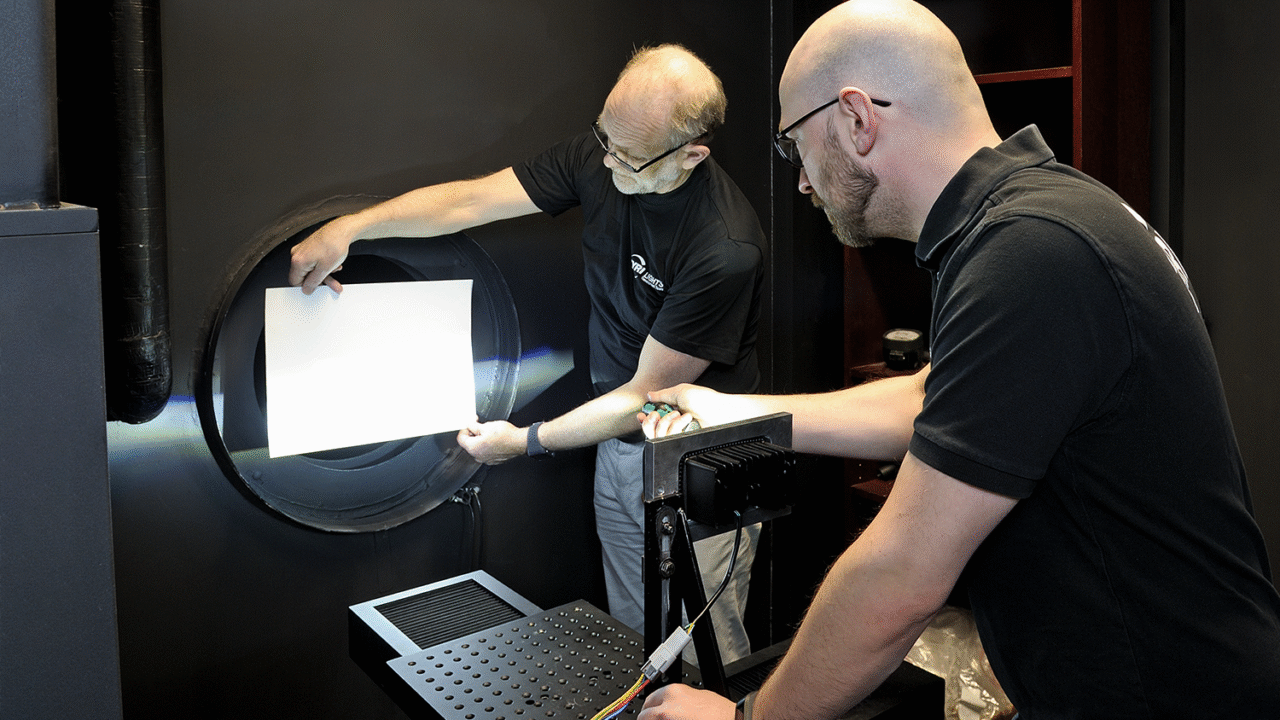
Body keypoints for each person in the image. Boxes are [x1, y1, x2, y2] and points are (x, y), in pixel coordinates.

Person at [636, 1, 1280, 718]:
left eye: (795, 145)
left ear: (856, 118)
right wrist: (738, 412)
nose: (802, 181)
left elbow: (902, 574)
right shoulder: (1035, 218)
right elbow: (932, 401)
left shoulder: (1029, 253)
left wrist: (747, 718)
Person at [288, 44, 766, 664]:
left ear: (691, 155)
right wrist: (348, 228)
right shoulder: (603, 154)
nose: (605, 161)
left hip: (696, 453)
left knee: (706, 656)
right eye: (603, 138)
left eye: (625, 154)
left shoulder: (723, 245)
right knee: (636, 642)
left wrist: (523, 442)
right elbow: (471, 201)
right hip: (618, 444)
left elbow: (642, 398)